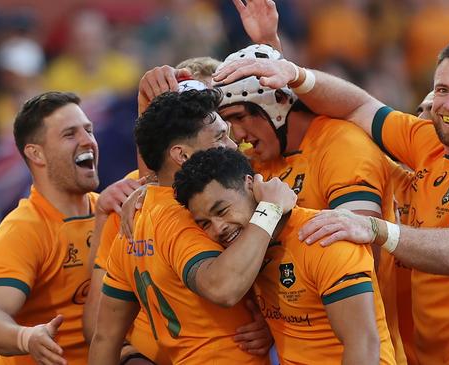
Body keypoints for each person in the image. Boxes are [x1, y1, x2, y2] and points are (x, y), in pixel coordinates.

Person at [213, 37, 449, 364]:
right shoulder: (428, 141)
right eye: (442, 89)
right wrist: (296, 75)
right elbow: (359, 105)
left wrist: (375, 229)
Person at [88, 89, 295, 364]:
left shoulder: (137, 217)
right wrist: (270, 210)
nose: (233, 146)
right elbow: (223, 287)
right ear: (182, 155)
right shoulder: (184, 217)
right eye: (220, 137)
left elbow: (104, 337)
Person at [174, 147, 396, 365]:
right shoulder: (244, 250)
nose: (218, 228)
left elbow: (363, 344)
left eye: (222, 211)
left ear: (251, 185)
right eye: (205, 224)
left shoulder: (323, 237)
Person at [0, 91, 135, 365]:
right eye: (70, 134)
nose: (88, 141)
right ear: (36, 153)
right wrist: (26, 338)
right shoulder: (22, 230)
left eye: (89, 130)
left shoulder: (116, 210)